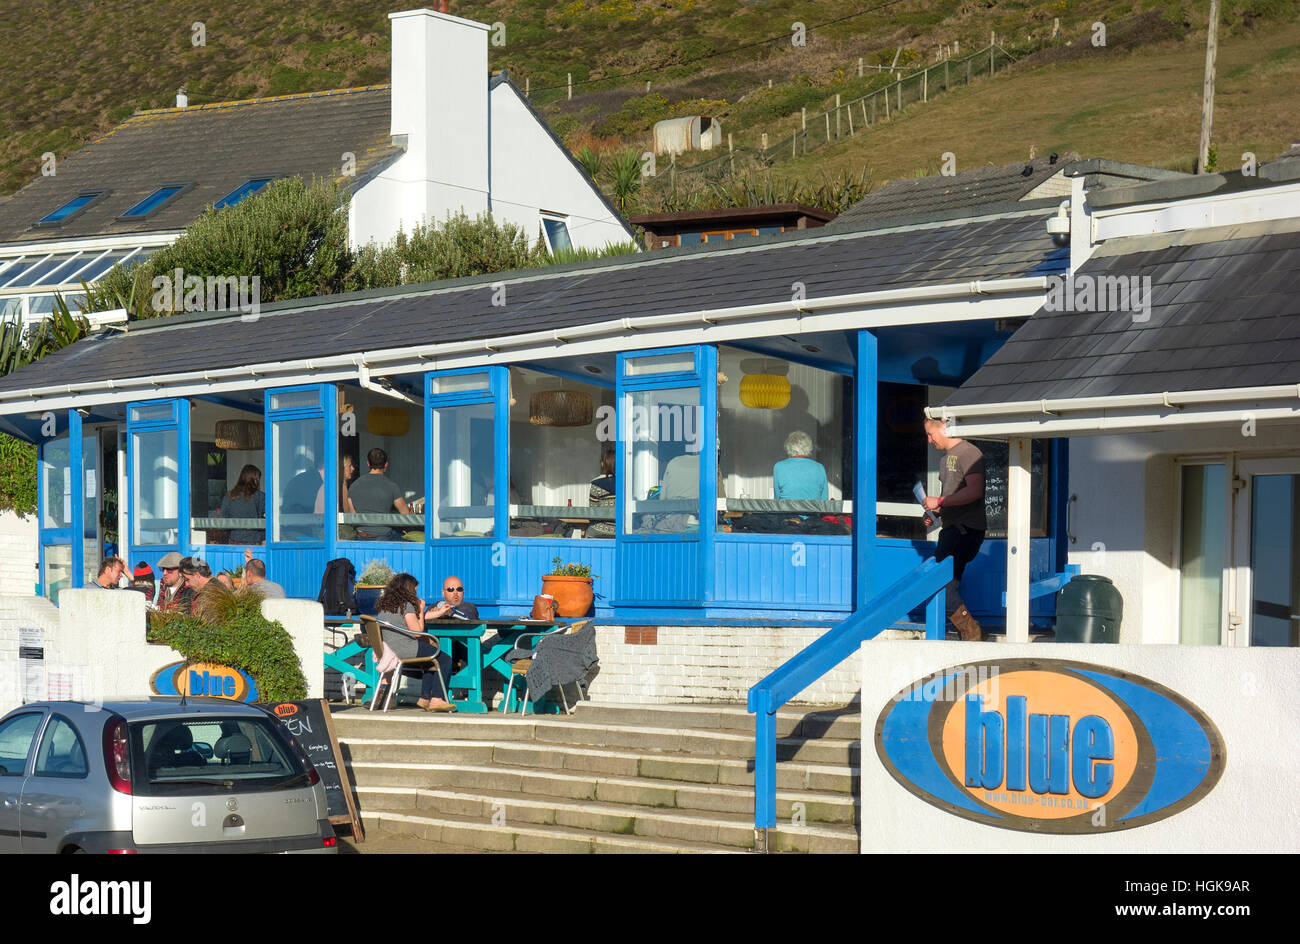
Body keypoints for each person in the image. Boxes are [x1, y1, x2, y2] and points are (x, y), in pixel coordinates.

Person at [922, 418, 986, 641]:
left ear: (943, 428)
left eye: (931, 434)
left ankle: (972, 632)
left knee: (938, 581)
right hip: (951, 527)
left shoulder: (969, 452)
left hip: (965, 529)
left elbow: (975, 491)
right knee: (946, 585)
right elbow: (951, 495)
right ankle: (971, 632)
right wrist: (935, 512)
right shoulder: (944, 459)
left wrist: (939, 501)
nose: (929, 440)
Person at [374, 573, 455, 712]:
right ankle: (436, 699)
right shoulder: (406, 605)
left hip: (390, 650)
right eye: (415, 590)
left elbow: (411, 619)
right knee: (445, 659)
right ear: (409, 589)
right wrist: (422, 608)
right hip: (406, 648)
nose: (417, 593)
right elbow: (417, 632)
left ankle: (424, 699)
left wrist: (439, 612)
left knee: (430, 660)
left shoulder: (386, 606)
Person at [347, 447, 412, 540]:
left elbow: (352, 514)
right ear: (386, 465)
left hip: (360, 536)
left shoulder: (353, 486)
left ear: (368, 463)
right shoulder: (392, 486)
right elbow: (406, 514)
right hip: (384, 537)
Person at [773, 431, 829, 500]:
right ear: (809, 446)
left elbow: (777, 500)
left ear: (789, 447)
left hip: (787, 510)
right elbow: (824, 501)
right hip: (813, 510)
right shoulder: (819, 468)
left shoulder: (779, 467)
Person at [218, 464, 266, 545]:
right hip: (254, 540)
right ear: (255, 479)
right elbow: (267, 518)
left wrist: (230, 533)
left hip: (234, 539)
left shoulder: (229, 496)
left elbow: (222, 520)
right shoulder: (260, 496)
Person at [281, 458, 325, 540]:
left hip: (288, 530)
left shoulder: (298, 479)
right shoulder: (317, 483)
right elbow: (317, 513)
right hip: (303, 532)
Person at [587, 449, 616, 538]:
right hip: (622, 530)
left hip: (600, 529)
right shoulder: (626, 485)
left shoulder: (596, 485)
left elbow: (593, 512)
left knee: (587, 533)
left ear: (603, 464)